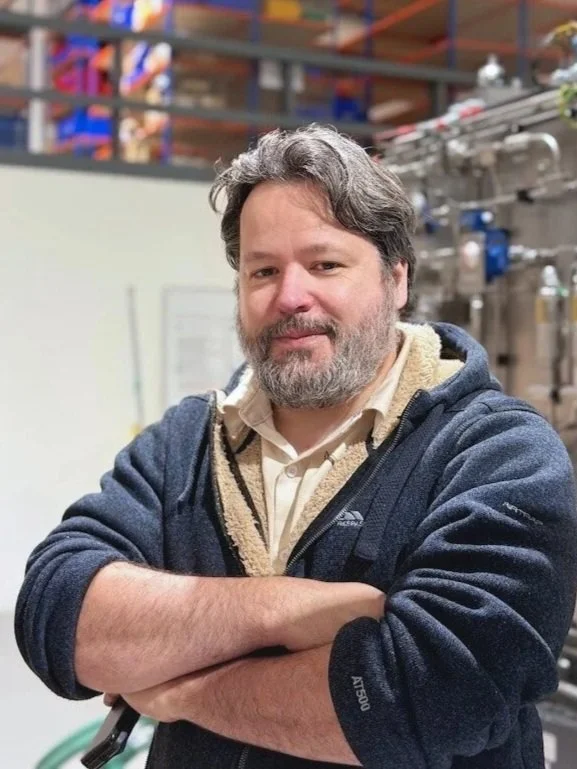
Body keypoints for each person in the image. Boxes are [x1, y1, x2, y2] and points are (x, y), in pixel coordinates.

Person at [14, 124, 577, 769]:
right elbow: (56, 618)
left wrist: (179, 688)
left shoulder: (497, 452)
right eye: (263, 271)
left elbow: (439, 693)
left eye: (324, 264)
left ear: (396, 279)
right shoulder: (186, 445)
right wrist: (284, 611)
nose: (289, 296)